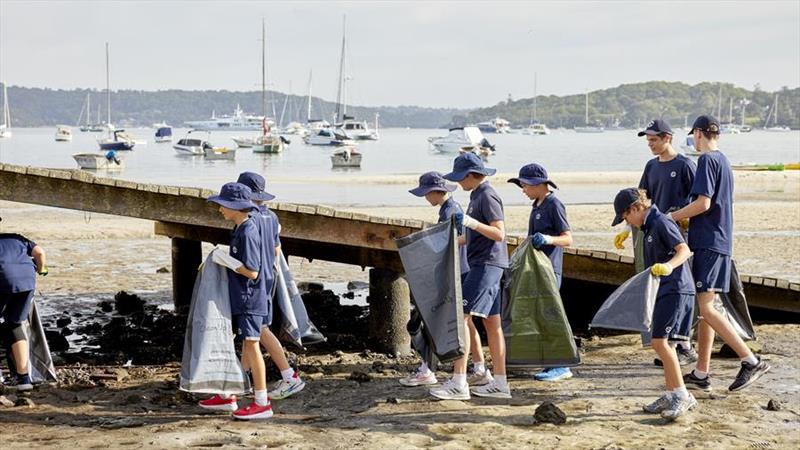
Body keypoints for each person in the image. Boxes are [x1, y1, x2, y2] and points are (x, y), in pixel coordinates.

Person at [671, 115, 770, 392]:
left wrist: (672, 216)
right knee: (707, 310)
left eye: (694, 135)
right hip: (719, 240)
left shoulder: (707, 160)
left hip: (710, 242)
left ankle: (750, 361)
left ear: (699, 133)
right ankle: (702, 373)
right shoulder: (724, 161)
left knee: (705, 308)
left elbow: (703, 203)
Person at [617, 119, 699, 366]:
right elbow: (640, 200)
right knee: (661, 290)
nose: (650, 145)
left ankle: (684, 345)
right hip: (652, 232)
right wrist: (625, 227)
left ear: (668, 138)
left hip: (678, 235)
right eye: (648, 141)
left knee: (680, 287)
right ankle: (671, 345)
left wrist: (681, 218)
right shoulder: (651, 167)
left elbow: (700, 201)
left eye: (654, 140)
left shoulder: (685, 165)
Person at [429, 153, 511, 399]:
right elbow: (472, 237)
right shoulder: (476, 195)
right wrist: (450, 241)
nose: (458, 183)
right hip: (488, 264)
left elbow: (499, 233)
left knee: (461, 318)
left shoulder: (487, 195)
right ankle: (500, 383)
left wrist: (470, 222)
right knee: (492, 324)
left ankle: (459, 382)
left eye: (459, 178)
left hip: (486, 265)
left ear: (469, 175)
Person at [612, 188, 696, 419]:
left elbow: (684, 250)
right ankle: (671, 394)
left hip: (676, 289)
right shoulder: (648, 226)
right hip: (663, 290)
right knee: (661, 344)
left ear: (636, 208)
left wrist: (669, 266)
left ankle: (682, 396)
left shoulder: (660, 222)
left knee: (661, 343)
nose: (627, 222)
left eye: (625, 217)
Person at [401, 171, 491, 387]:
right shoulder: (450, 209)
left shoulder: (451, 211)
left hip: (454, 273)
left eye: (426, 194)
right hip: (460, 271)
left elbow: (454, 241)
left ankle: (427, 369)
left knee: (430, 320)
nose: (425, 198)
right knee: (467, 323)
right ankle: (479, 368)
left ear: (436, 191)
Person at [200, 182, 276, 420]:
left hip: (250, 299)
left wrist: (227, 261)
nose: (220, 209)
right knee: (246, 345)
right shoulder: (240, 228)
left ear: (235, 207)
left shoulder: (248, 231)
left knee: (253, 346)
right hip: (244, 298)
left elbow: (253, 271)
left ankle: (262, 402)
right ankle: (231, 394)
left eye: (223, 205)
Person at [236, 172, 305, 400]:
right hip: (269, 277)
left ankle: (289, 376)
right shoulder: (272, 217)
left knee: (259, 331)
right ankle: (241, 379)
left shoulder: (249, 219)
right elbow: (277, 251)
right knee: (252, 333)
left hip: (252, 281)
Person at [508, 163, 574, 382]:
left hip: (549, 269)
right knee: (541, 317)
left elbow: (568, 238)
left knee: (551, 316)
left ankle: (562, 365)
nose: (523, 190)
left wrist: (548, 239)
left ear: (538, 184)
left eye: (525, 185)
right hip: (536, 270)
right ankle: (550, 362)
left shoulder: (554, 204)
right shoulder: (536, 205)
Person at [0, 216, 48, 391]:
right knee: (14, 324)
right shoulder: (18, 238)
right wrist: (42, 269)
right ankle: (24, 379)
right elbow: (40, 253)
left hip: (3, 281)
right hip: (27, 282)